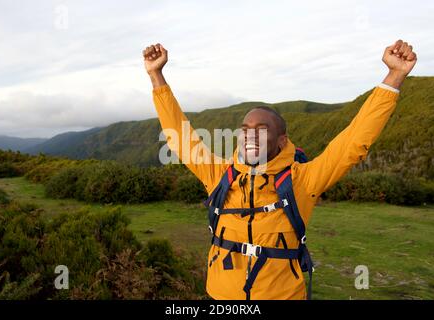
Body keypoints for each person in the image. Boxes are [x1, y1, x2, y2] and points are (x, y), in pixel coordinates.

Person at [142, 40, 417, 300]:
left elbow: (352, 143)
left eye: (261, 131)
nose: (250, 136)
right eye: (246, 130)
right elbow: (179, 135)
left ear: (281, 141)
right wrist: (156, 76)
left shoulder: (302, 180)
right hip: (220, 295)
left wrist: (394, 77)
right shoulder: (218, 174)